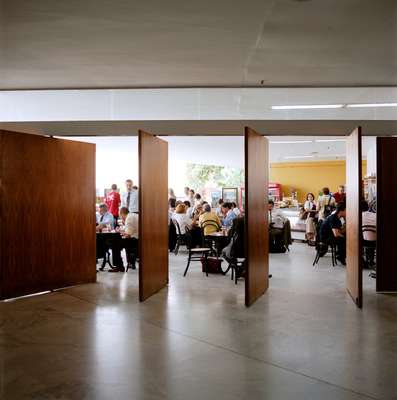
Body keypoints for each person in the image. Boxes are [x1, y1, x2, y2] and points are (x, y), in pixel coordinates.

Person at [111, 207, 139, 272]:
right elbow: (130, 231)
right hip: (139, 238)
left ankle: (119, 266)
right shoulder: (133, 215)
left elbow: (128, 235)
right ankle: (126, 263)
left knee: (115, 243)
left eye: (120, 216)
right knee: (117, 241)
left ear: (121, 214)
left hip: (136, 240)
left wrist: (119, 231)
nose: (121, 218)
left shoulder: (129, 218)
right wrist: (122, 231)